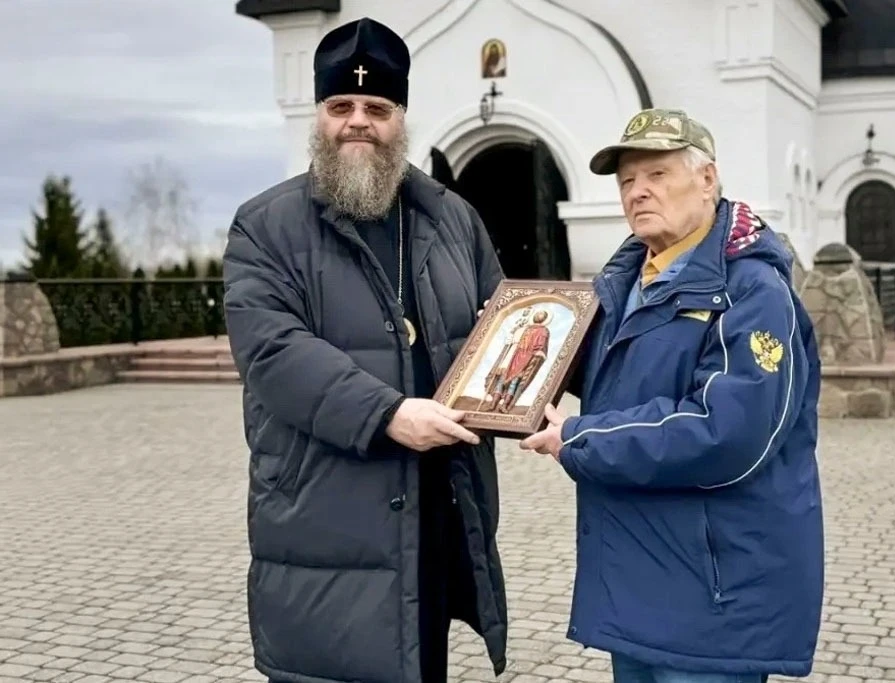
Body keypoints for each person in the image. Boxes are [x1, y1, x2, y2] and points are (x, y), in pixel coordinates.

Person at [221, 16, 508, 683]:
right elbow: (273, 351)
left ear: (400, 118)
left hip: (433, 515)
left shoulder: (452, 219)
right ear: (318, 115)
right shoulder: (265, 225)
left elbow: (505, 323)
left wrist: (531, 386)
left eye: (376, 108)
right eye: (340, 106)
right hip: (325, 522)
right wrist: (387, 414)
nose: (358, 122)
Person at [521, 108, 825, 683]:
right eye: (627, 181)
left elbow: (726, 434)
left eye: (656, 174)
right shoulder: (629, 280)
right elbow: (619, 375)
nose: (637, 192)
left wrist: (578, 437)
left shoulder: (751, 290)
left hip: (713, 598)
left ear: (707, 179)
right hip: (640, 584)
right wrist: (511, 347)